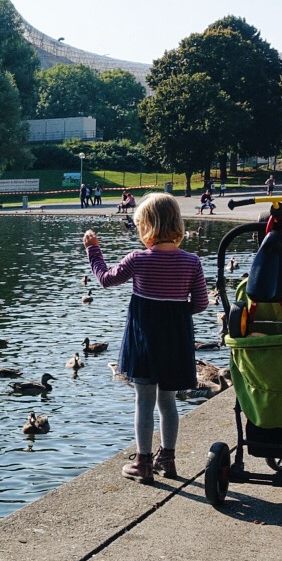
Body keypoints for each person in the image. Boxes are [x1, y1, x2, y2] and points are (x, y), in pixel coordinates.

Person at [83, 193, 209, 482]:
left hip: (144, 341)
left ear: (148, 226)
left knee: (144, 400)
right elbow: (201, 303)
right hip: (176, 341)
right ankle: (168, 458)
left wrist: (94, 250)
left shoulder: (138, 259)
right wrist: (175, 314)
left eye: (140, 225)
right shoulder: (192, 262)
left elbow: (105, 279)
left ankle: (142, 463)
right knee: (169, 401)